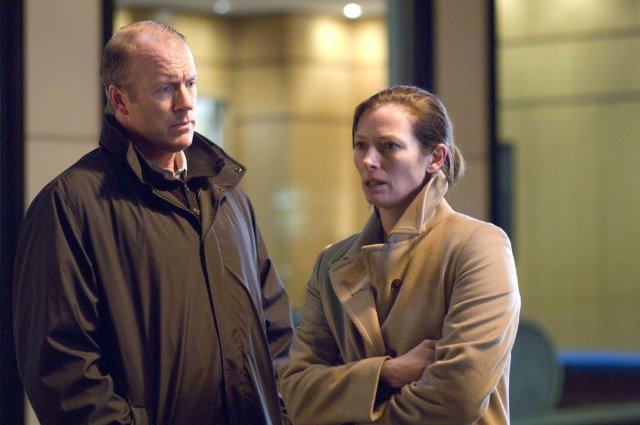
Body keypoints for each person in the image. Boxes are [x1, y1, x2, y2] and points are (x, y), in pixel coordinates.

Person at [13, 20, 293, 425]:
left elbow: (275, 329)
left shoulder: (228, 195)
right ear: (120, 100)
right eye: (166, 88)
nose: (186, 102)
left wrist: (280, 413)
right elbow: (63, 368)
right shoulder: (70, 205)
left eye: (191, 83)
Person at [279, 85, 520, 424]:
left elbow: (457, 396)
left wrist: (350, 402)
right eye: (360, 145)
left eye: (388, 146)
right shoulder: (332, 262)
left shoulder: (478, 246)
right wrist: (387, 373)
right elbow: (296, 392)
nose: (368, 161)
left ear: (435, 158)